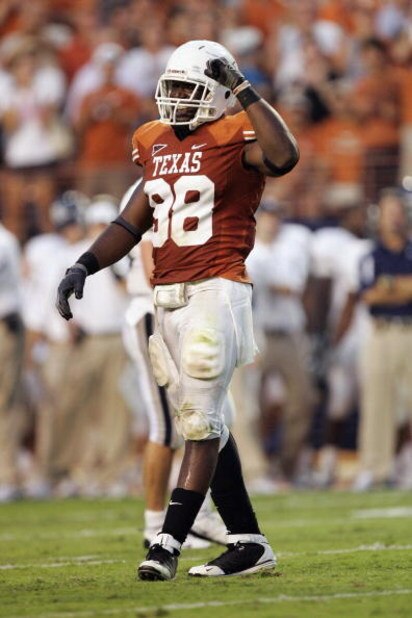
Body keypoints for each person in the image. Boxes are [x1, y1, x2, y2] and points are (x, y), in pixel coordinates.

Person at [56, 39, 299, 580]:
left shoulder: (237, 131)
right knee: (213, 423)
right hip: (167, 298)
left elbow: (284, 156)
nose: (177, 99)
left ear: (216, 94)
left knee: (198, 421)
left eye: (190, 89)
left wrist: (243, 88)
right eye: (172, 87)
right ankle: (249, 542)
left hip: (218, 288)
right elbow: (131, 222)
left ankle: (165, 541)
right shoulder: (153, 139)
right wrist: (84, 265)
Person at [354, 188, 412, 490]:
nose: (394, 217)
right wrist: (401, 287)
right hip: (382, 331)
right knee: (378, 403)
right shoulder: (370, 254)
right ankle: (375, 468)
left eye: (398, 210)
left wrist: (390, 286)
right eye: (389, 211)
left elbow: (383, 289)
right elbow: (369, 295)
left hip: (409, 330)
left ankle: (404, 464)